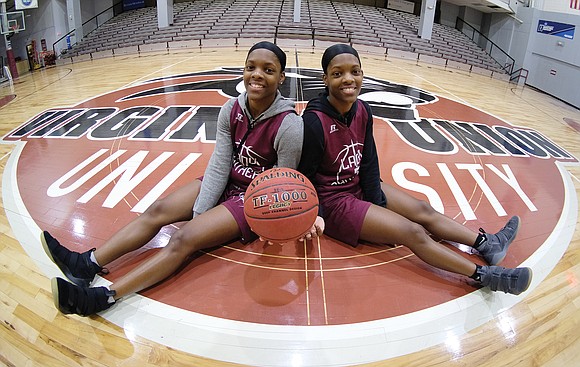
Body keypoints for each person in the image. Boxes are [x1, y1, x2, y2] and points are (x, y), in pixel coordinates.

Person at [42, 41, 319, 316]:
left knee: (183, 239)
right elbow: (220, 163)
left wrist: (266, 227)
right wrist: (202, 211)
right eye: (251, 67)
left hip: (252, 198)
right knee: (158, 209)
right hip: (226, 182)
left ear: (281, 77)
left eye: (268, 70)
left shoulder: (289, 125)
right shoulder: (231, 109)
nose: (257, 74)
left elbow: (281, 186)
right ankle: (86, 263)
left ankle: (104, 297)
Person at [297, 44, 532, 295]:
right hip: (334, 203)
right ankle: (485, 276)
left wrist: (376, 200)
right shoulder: (314, 120)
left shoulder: (363, 110)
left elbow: (368, 160)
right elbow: (306, 176)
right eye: (338, 73)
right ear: (325, 79)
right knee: (413, 231)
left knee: (423, 209)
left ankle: (488, 245)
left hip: (357, 185)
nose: (348, 79)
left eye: (355, 71)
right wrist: (317, 213)